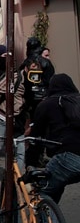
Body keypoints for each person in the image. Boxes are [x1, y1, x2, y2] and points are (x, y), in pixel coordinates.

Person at [25, 73, 80, 203]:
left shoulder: (47, 104)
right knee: (57, 182)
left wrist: (30, 164)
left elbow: (36, 139)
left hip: (69, 156)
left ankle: (49, 222)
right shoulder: (77, 100)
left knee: (41, 191)